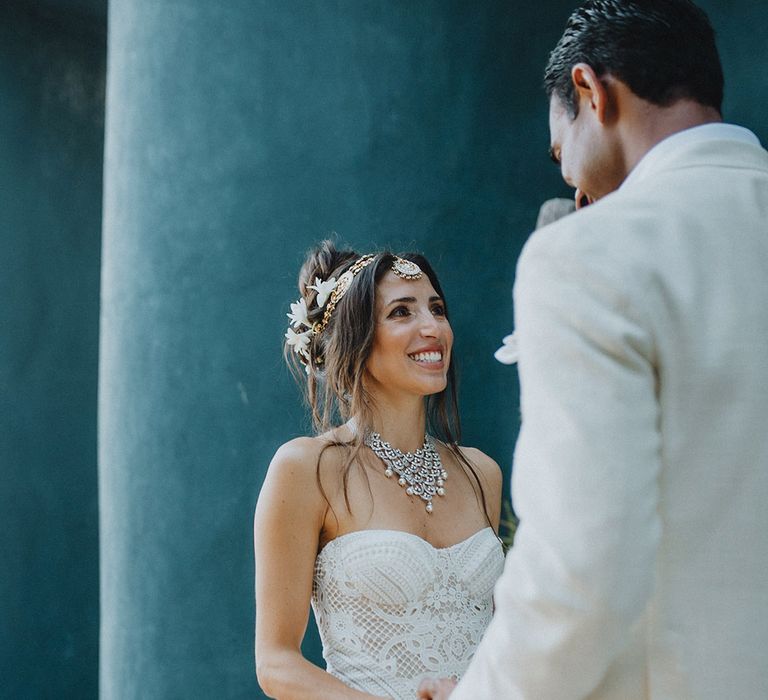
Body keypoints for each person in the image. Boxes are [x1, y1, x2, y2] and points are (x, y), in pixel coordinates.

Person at [419, 0, 768, 698]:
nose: (572, 187)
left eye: (561, 155)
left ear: (591, 91)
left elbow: (584, 572)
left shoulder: (590, 256)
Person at [253, 241, 504, 700]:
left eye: (437, 308)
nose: (433, 328)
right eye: (402, 313)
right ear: (354, 339)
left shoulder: (480, 472)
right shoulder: (307, 468)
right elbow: (276, 662)